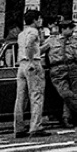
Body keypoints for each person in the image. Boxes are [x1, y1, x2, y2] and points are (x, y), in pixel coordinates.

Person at [45, 16, 77, 128]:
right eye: (70, 28)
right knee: (65, 92)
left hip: (72, 66)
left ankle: (67, 118)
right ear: (63, 29)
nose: (72, 30)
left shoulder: (75, 39)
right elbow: (41, 52)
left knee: (73, 94)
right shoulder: (51, 40)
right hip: (57, 68)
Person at [14, 9, 49, 138]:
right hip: (32, 63)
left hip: (21, 65)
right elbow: (29, 46)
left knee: (20, 98)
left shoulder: (21, 33)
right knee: (36, 95)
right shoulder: (33, 31)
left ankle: (19, 127)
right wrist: (31, 61)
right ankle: (36, 126)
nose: (41, 21)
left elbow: (31, 47)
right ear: (35, 20)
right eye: (39, 18)